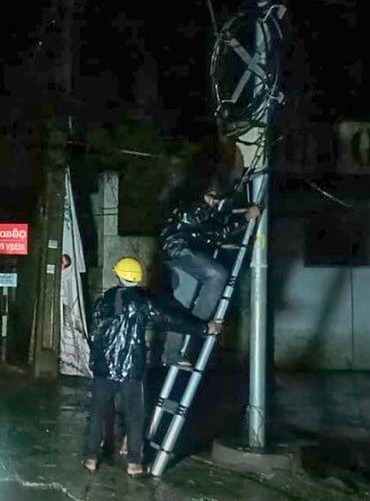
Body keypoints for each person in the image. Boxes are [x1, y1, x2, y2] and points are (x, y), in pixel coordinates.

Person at [85, 257, 220, 476]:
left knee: (98, 412)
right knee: (135, 416)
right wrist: (204, 328)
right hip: (132, 369)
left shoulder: (103, 302)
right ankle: (134, 463)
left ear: (118, 276)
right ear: (137, 279)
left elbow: (95, 333)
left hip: (104, 368)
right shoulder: (143, 302)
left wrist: (96, 362)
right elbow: (170, 319)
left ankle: (91, 458)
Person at [160, 182, 261, 365]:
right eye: (214, 199)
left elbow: (216, 228)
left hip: (179, 254)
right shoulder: (197, 208)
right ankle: (200, 326)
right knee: (217, 275)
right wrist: (246, 217)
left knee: (181, 305)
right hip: (181, 251)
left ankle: (172, 353)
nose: (216, 203)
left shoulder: (195, 205)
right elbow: (217, 233)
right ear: (206, 195)